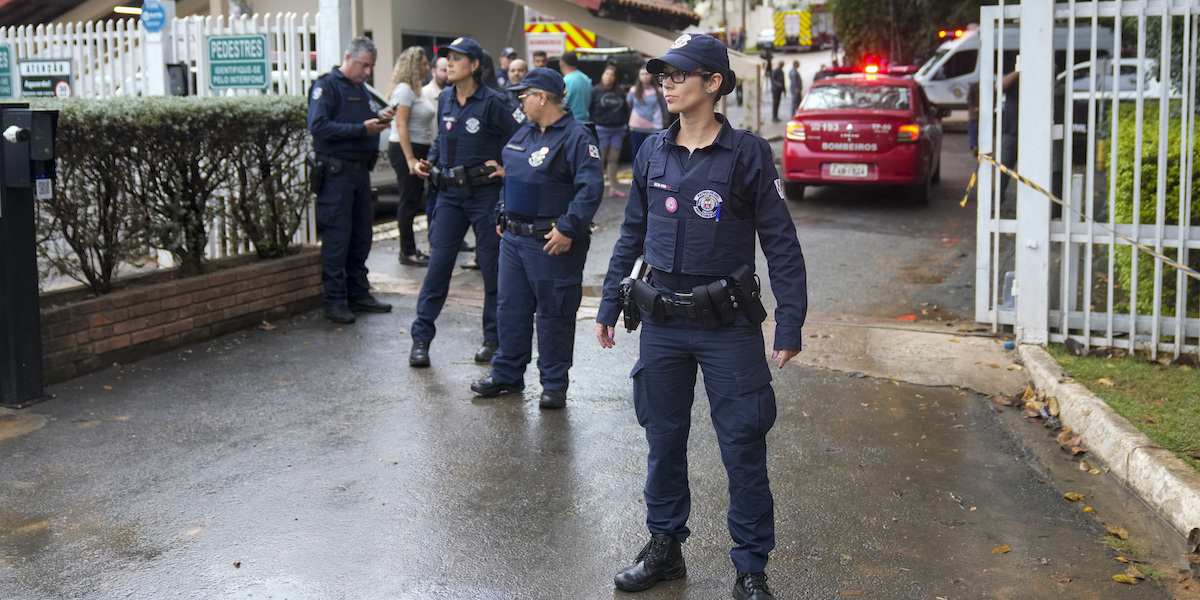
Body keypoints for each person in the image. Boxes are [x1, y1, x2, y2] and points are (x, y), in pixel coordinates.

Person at [595, 33, 807, 600]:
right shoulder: (651, 151)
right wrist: (609, 302)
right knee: (663, 438)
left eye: (678, 74)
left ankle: (750, 568)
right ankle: (664, 547)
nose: (665, 82)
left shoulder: (748, 155)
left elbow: (780, 243)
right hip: (661, 321)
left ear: (713, 83)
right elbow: (632, 234)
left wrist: (790, 321)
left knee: (742, 444)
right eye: (662, 74)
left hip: (727, 327)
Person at [469, 67, 604, 409]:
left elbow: (590, 189)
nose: (521, 102)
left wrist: (568, 228)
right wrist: (502, 211)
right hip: (514, 240)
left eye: (524, 95)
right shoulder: (525, 132)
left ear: (542, 97)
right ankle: (507, 375)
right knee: (510, 309)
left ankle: (554, 384)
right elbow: (510, 177)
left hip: (552, 242)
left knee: (554, 314)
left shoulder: (576, 137)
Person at [409, 37, 521, 367]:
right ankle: (420, 339)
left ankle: (492, 339)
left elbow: (524, 137)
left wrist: (507, 167)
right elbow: (442, 141)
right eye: (448, 58)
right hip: (449, 197)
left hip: (485, 196)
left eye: (457, 58)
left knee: (491, 270)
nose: (449, 63)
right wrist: (429, 161)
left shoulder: (494, 102)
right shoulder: (445, 97)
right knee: (437, 270)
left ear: (474, 65)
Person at [307, 37, 396, 324]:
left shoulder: (361, 89)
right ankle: (334, 300)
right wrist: (362, 129)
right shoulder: (327, 86)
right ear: (348, 58)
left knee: (361, 237)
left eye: (371, 67)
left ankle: (359, 294)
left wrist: (379, 119)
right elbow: (318, 126)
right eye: (364, 65)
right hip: (337, 175)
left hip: (360, 174)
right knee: (337, 239)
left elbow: (361, 121)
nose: (368, 71)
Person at [386, 47, 436, 267]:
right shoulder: (404, 90)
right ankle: (407, 252)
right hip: (407, 149)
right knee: (408, 201)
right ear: (414, 66)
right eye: (424, 63)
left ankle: (411, 249)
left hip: (419, 148)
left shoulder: (416, 90)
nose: (427, 67)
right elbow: (400, 124)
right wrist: (410, 159)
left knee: (415, 200)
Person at [589, 64, 630, 198]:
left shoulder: (619, 91)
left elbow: (625, 109)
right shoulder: (595, 91)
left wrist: (624, 124)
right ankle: (597, 189)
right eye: (607, 74)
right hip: (601, 129)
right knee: (600, 159)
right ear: (602, 75)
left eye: (612, 75)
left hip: (617, 129)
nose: (609, 77)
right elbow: (590, 109)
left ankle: (613, 188)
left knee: (614, 159)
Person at [626, 65, 668, 158]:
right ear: (639, 76)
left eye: (647, 74)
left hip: (654, 128)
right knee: (637, 155)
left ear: (651, 76)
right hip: (636, 127)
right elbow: (629, 104)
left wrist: (664, 122)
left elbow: (664, 107)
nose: (645, 76)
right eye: (642, 74)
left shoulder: (659, 91)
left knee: (653, 155)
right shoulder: (634, 90)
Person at [560, 50, 592, 122]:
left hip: (571, 123)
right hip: (585, 121)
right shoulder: (586, 78)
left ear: (562, 63)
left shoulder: (566, 81)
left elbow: (561, 104)